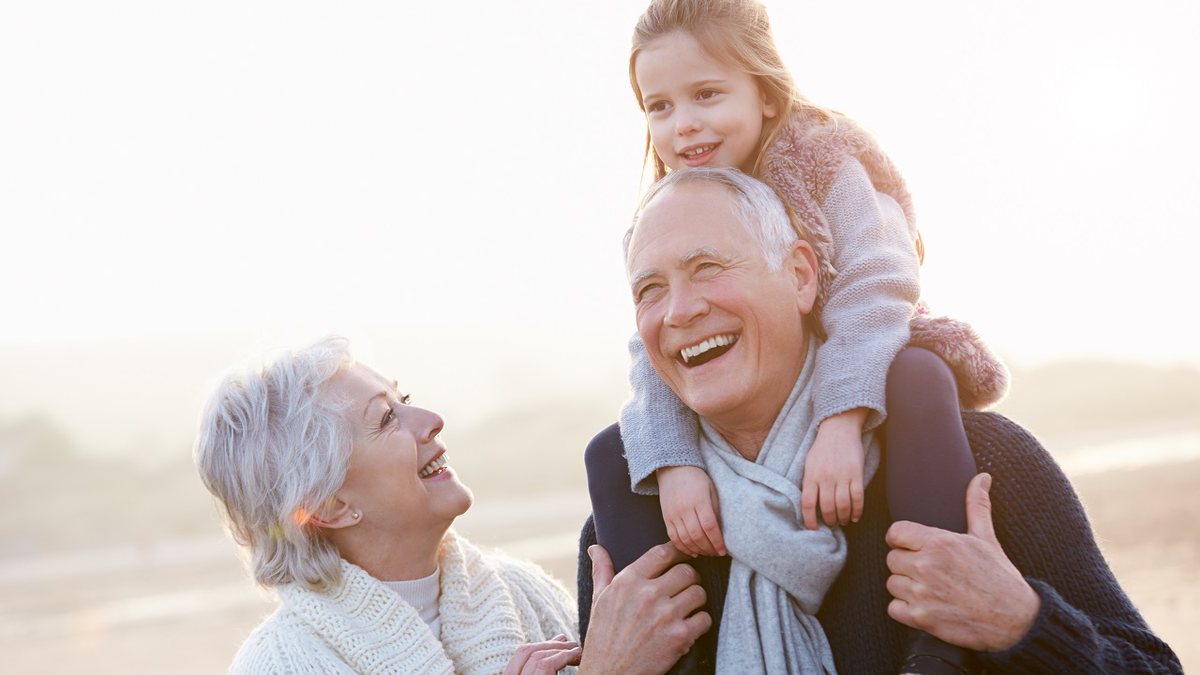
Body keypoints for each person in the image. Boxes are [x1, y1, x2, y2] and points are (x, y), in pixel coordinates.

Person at [578, 168, 1181, 673]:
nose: (680, 310)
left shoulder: (980, 466)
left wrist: (1021, 623)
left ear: (801, 275)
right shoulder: (628, 532)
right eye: (650, 289)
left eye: (708, 267)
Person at [592, 0, 1005, 669]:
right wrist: (675, 464)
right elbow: (654, 352)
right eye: (658, 107)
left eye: (706, 94)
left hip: (868, 349)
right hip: (755, 406)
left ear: (764, 85)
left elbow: (877, 282)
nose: (683, 124)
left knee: (919, 376)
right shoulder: (664, 212)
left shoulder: (824, 157)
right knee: (610, 453)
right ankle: (672, 652)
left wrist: (841, 421)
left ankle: (941, 631)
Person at [194, 337, 711, 674]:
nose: (431, 419)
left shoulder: (521, 591)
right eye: (385, 419)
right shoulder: (278, 664)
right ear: (328, 504)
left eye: (406, 398)